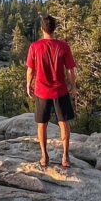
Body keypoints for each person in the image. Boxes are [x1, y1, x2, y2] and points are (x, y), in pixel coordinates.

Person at [25, 14, 77, 170]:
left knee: (42, 125)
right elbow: (70, 70)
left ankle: (44, 156)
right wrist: (73, 86)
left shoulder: (35, 47)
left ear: (42, 29)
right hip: (60, 90)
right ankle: (65, 157)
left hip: (41, 91)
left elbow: (30, 70)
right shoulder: (63, 47)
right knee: (64, 123)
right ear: (54, 29)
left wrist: (28, 84)